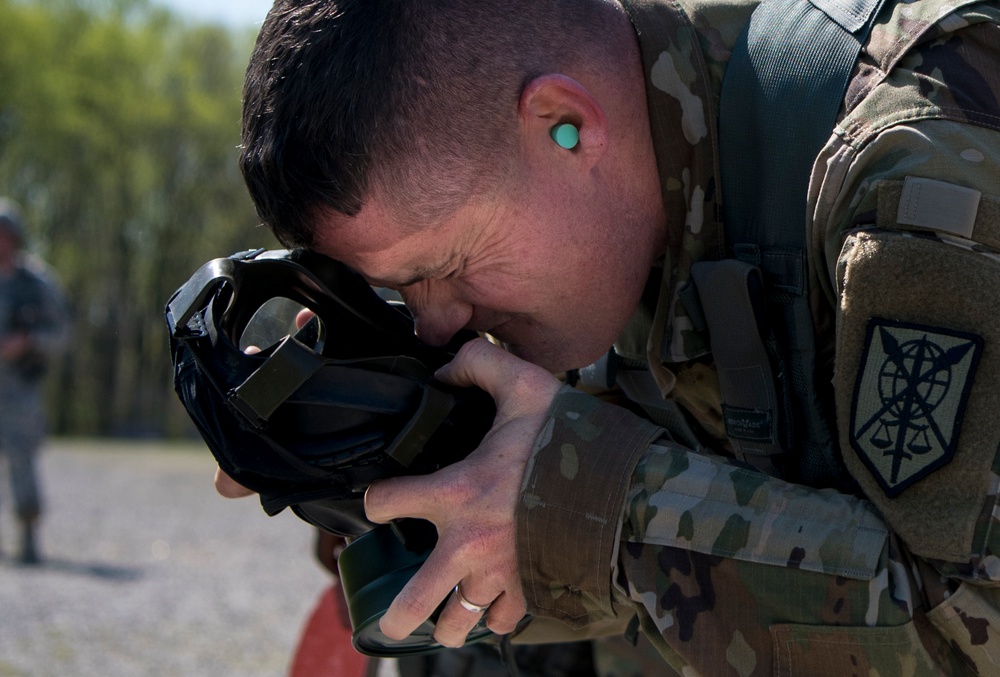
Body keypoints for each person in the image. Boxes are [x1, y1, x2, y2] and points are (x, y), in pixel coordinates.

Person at [223, 0, 1000, 673]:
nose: (436, 323)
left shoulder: (915, 161)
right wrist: (408, 477)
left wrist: (580, 504)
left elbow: (965, 629)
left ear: (565, 125)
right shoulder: (614, 222)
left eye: (451, 266)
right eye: (401, 290)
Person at [0, 198, 68, 565]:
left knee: (22, 462)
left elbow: (61, 334)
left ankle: (28, 537)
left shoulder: (36, 283)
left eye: (4, 235)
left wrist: (27, 342)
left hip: (19, 391)